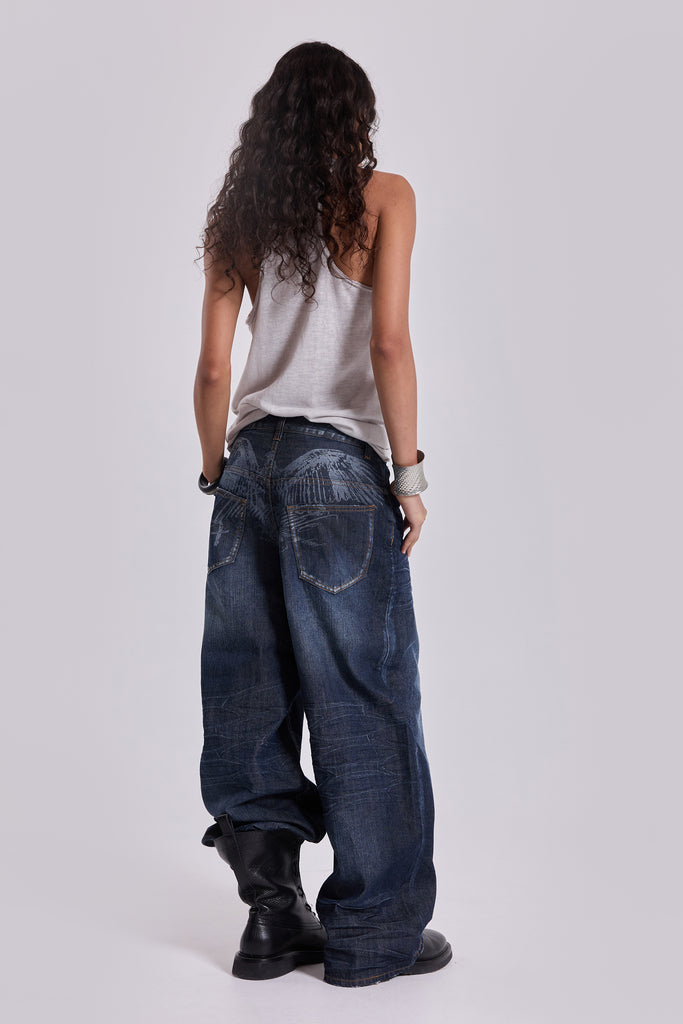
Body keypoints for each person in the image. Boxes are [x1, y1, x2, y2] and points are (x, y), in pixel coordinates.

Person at [193, 40, 452, 988]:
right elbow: (388, 345)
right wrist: (408, 475)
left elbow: (214, 369)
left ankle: (271, 916)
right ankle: (373, 932)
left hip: (248, 469)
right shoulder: (384, 198)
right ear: (356, 116)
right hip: (337, 471)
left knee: (247, 691)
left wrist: (215, 472)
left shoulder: (240, 217)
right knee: (363, 695)